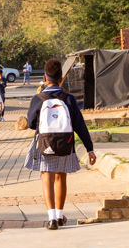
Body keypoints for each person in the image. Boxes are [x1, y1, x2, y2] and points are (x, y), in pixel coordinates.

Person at [26, 58, 96, 230]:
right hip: (65, 143)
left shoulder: (38, 98)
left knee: (46, 177)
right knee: (60, 177)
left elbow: (29, 123)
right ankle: (59, 215)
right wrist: (90, 149)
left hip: (44, 142)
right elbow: (80, 125)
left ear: (44, 77)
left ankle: (51, 219)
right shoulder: (69, 99)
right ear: (62, 78)